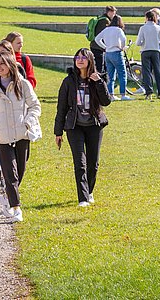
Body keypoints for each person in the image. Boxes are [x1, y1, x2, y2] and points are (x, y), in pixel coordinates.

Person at [0, 52, 41, 222]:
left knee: (20, 172)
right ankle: (16, 208)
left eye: (2, 63)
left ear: (10, 64)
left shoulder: (22, 84)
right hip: (2, 138)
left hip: (22, 135)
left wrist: (27, 123)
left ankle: (7, 196)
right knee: (10, 174)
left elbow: (35, 106)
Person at [54, 48, 112, 207]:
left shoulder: (97, 79)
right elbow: (61, 108)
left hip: (94, 125)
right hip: (75, 126)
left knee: (93, 163)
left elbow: (106, 101)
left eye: (83, 57)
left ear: (90, 60)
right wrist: (58, 132)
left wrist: (99, 82)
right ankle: (83, 198)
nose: (79, 60)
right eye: (77, 57)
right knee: (80, 163)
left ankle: (89, 191)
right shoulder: (68, 81)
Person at [94, 15, 131, 100]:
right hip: (116, 53)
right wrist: (122, 47)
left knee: (110, 75)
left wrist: (105, 47)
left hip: (108, 54)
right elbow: (123, 39)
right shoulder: (118, 30)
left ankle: (111, 94)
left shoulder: (106, 30)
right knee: (122, 74)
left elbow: (97, 39)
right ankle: (123, 94)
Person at [137, 10, 160, 100]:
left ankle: (149, 92)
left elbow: (139, 42)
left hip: (145, 51)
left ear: (146, 18)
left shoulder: (143, 28)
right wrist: (157, 44)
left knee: (146, 72)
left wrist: (143, 44)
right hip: (155, 51)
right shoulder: (158, 28)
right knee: (157, 71)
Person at [89, 6, 114, 72]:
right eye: (112, 13)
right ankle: (99, 80)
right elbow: (106, 34)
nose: (113, 15)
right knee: (100, 67)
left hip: (94, 45)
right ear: (109, 12)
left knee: (97, 65)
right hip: (99, 46)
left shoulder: (100, 18)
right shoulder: (105, 21)